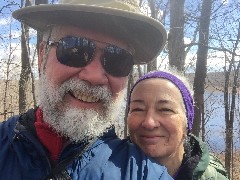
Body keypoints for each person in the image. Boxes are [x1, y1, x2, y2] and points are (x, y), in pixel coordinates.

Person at [0, 0, 173, 179]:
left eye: (117, 60)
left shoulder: (144, 174)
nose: (94, 76)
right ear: (42, 55)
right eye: (75, 50)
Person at [127, 69, 229, 180]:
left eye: (165, 109)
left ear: (187, 123)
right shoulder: (108, 166)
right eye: (138, 109)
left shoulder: (213, 177)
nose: (149, 123)